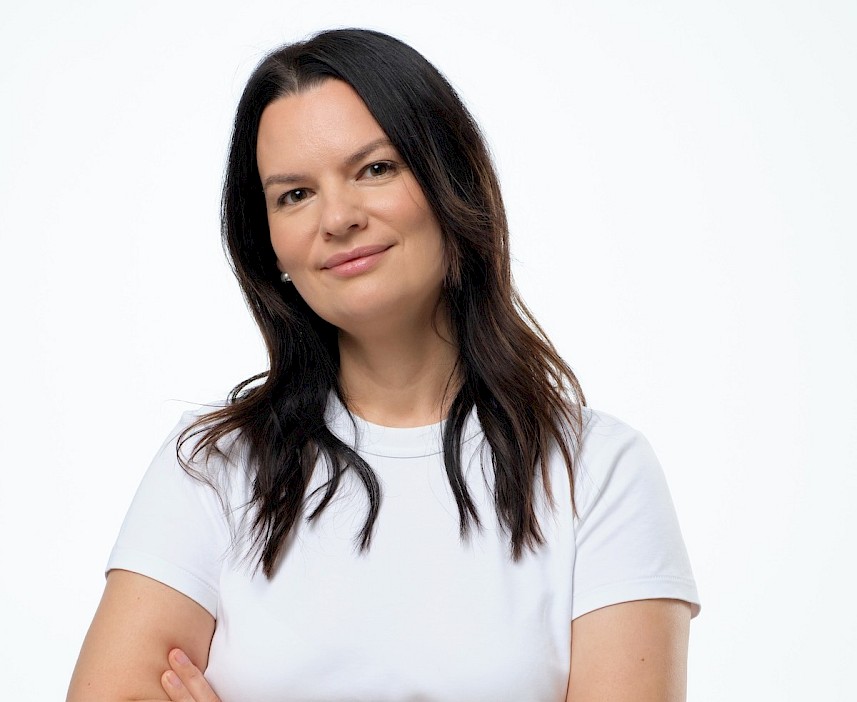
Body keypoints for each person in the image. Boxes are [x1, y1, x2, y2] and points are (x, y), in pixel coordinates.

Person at [67, 28, 699, 702]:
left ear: (451, 180)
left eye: (374, 169)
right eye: (294, 194)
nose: (337, 218)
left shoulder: (599, 472)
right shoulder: (212, 468)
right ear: (270, 246)